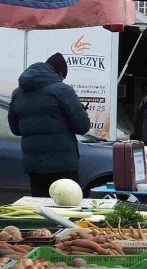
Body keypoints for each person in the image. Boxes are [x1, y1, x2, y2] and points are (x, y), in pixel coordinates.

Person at [8, 53, 91, 197]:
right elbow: (83, 127)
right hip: (63, 164)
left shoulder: (18, 93)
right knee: (67, 208)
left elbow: (15, 129)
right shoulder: (62, 91)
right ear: (59, 72)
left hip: (34, 165)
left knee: (41, 209)